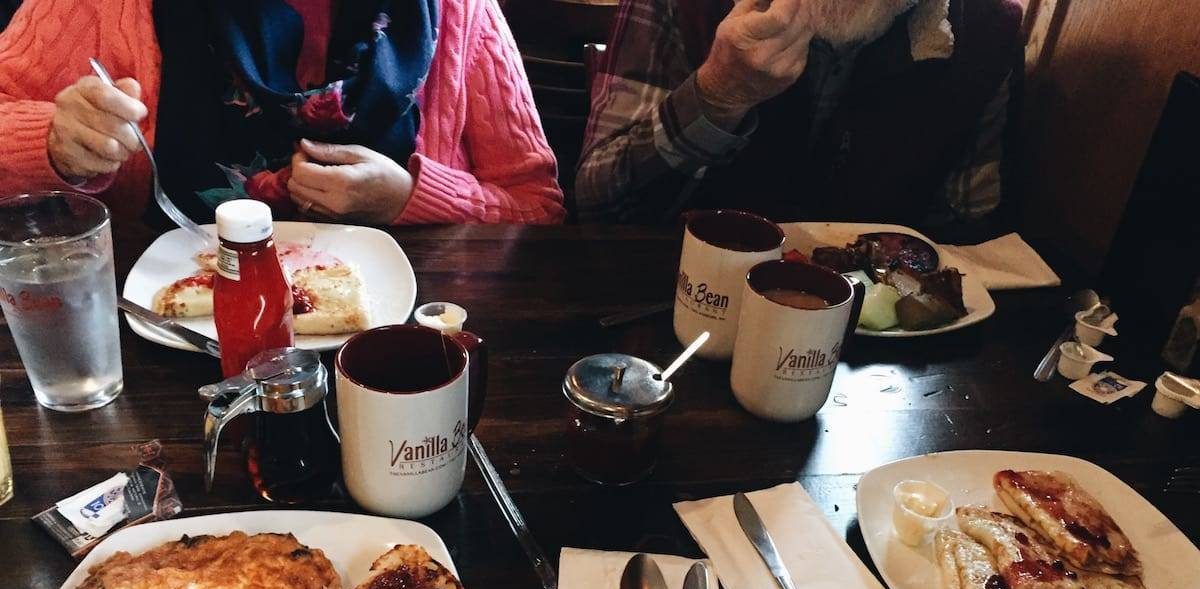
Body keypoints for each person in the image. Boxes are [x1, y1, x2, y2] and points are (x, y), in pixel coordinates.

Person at [0, 0, 565, 226]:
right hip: (163, 353)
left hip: (403, 354)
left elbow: (537, 207)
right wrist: (49, 142)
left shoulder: (462, 11)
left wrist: (408, 198)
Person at [576, 0, 1022, 239]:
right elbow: (598, 203)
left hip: (876, 373)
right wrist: (716, 95)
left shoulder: (985, 33)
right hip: (675, 317)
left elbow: (968, 232)